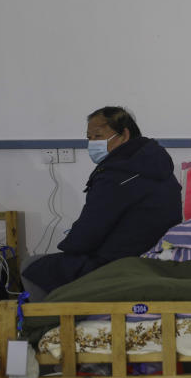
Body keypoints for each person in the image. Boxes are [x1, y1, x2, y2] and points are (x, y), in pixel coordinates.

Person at [22, 107, 182, 299]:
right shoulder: (157, 165)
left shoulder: (117, 174)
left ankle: (49, 322)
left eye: (98, 136)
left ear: (124, 134)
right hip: (158, 255)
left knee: (31, 266)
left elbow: (90, 230)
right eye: (89, 138)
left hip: (120, 263)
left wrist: (70, 246)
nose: (92, 144)